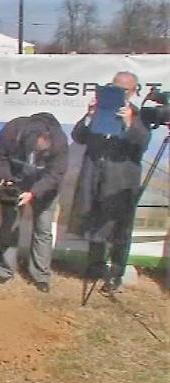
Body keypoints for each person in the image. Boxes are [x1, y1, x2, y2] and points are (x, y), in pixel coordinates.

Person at [70, 71, 151, 293]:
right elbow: (78, 136)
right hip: (94, 175)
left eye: (125, 89)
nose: (119, 92)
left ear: (133, 92)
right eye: (115, 87)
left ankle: (116, 274)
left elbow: (142, 143)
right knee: (95, 222)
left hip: (121, 181)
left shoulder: (140, 115)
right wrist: (89, 115)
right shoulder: (99, 112)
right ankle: (95, 267)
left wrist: (128, 124)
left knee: (119, 229)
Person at [0, 112, 68, 293]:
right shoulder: (11, 131)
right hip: (15, 182)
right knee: (9, 225)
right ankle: (5, 271)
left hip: (44, 188)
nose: (39, 153)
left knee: (43, 229)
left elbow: (55, 174)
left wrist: (33, 193)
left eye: (44, 151)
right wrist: (6, 178)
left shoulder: (59, 141)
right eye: (36, 148)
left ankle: (40, 275)